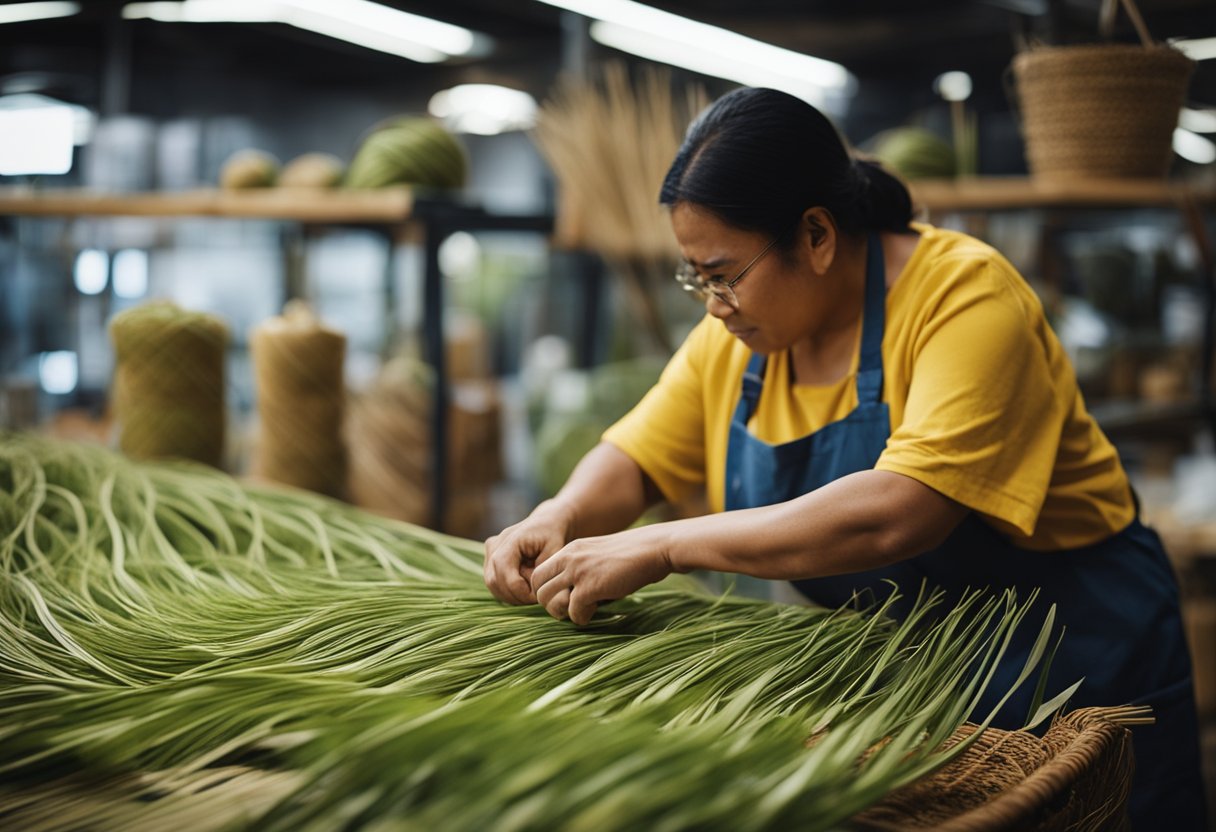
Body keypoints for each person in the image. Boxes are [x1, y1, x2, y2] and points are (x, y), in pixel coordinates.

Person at [483, 87, 1206, 828]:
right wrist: (560, 513)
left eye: (723, 274)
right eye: (696, 277)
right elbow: (638, 456)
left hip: (1076, 656)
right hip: (912, 674)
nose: (712, 303)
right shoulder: (738, 336)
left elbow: (901, 511)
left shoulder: (964, 295)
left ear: (816, 236)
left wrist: (663, 544)